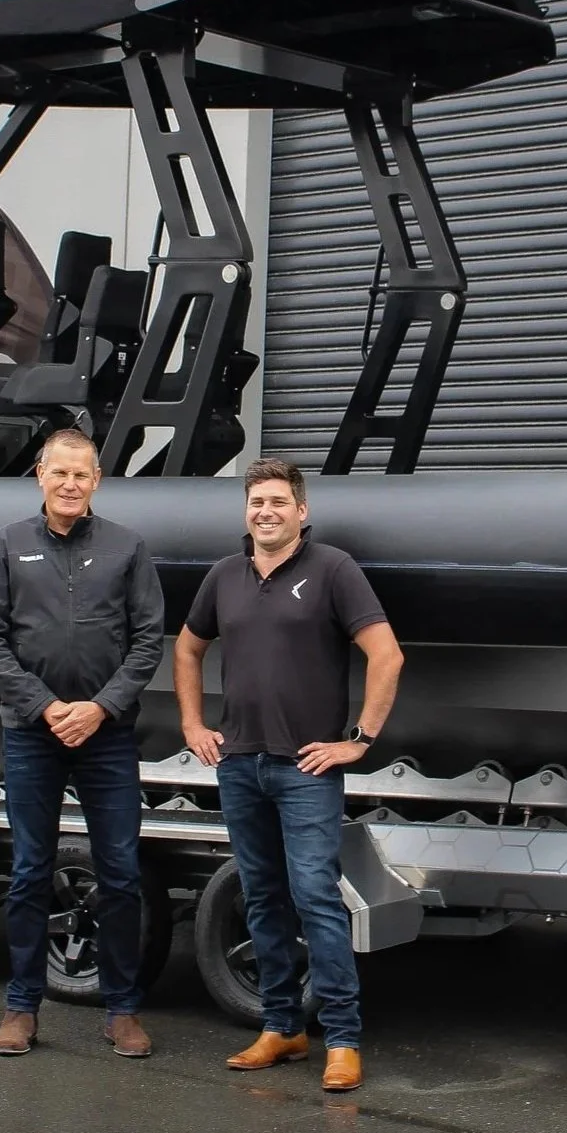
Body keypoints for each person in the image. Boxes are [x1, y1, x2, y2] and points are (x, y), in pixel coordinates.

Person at [173, 457, 403, 1092]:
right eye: (256, 502)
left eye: (278, 502)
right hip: (240, 764)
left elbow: (386, 654)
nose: (265, 511)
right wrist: (193, 725)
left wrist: (358, 740)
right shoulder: (224, 576)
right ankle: (281, 1027)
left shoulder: (333, 570)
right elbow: (189, 647)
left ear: (302, 512)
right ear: (245, 512)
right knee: (262, 898)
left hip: (306, 768)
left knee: (316, 899)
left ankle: (344, 1039)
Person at [0, 428, 165, 1058]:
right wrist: (47, 706)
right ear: (40, 475)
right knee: (30, 871)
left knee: (120, 873)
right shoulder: (6, 546)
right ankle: (22, 1008)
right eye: (60, 473)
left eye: (81, 474)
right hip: (32, 734)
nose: (70, 484)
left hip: (107, 737)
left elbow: (146, 642)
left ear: (98, 479)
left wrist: (100, 708)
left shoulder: (127, 548)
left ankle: (122, 1010)